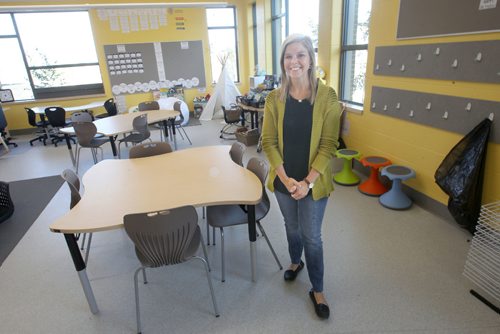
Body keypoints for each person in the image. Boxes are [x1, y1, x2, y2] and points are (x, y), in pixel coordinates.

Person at [261, 34, 341, 320]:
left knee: (313, 237)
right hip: (284, 180)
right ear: (282, 62)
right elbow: (268, 141)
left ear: (310, 60)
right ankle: (296, 262)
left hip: (313, 183)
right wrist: (284, 179)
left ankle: (317, 289)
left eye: (300, 56)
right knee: (291, 227)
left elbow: (329, 144)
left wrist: (307, 182)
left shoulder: (327, 96)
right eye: (288, 56)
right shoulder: (274, 98)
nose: (293, 61)